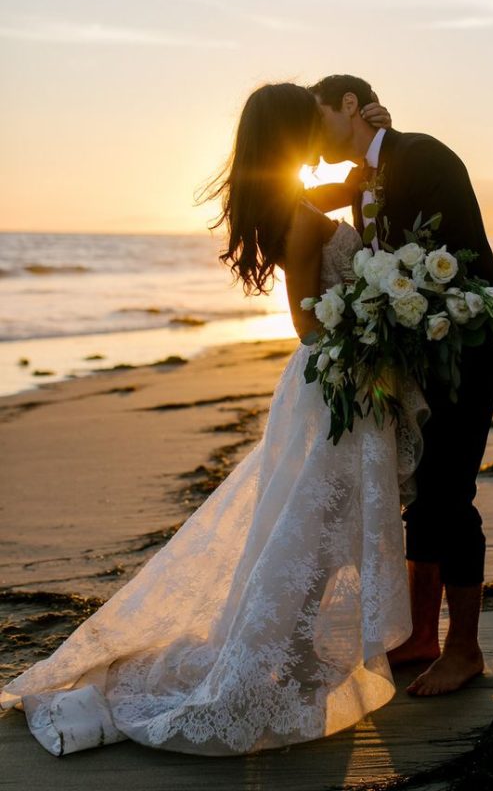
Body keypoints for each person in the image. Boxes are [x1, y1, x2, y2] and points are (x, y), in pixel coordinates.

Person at [0, 83, 430, 757]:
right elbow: (305, 321)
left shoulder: (298, 202)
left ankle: (292, 653)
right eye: (308, 120)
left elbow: (362, 189)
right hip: (335, 383)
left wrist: (376, 147)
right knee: (315, 528)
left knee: (320, 525)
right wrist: (367, 323)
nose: (320, 125)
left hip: (340, 384)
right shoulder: (296, 212)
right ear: (290, 133)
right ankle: (278, 661)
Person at [308, 74, 493, 697]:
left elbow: (450, 255)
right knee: (423, 492)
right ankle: (421, 637)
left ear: (350, 105)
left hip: (466, 346)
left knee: (448, 492)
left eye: (317, 115)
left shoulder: (423, 154)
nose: (310, 132)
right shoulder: (366, 178)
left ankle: (465, 650)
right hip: (419, 354)